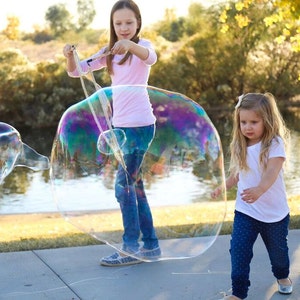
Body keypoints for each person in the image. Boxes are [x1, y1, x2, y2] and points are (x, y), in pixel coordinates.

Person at [63, 0, 160, 266]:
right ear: (113, 25)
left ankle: (130, 248)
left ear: (138, 23)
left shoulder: (143, 48)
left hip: (140, 126)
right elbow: (77, 71)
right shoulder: (109, 52)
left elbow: (152, 57)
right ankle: (150, 246)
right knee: (134, 187)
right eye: (119, 23)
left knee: (123, 187)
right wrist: (70, 55)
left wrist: (130, 45)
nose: (124, 28)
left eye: (129, 22)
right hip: (122, 128)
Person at [211, 93, 292, 299]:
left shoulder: (274, 144)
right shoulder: (240, 145)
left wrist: (260, 189)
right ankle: (238, 293)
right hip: (246, 211)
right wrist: (223, 187)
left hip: (274, 215)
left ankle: (283, 276)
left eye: (254, 122)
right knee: (238, 252)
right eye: (243, 122)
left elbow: (272, 171)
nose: (248, 127)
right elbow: (238, 173)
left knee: (279, 257)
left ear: (267, 120)